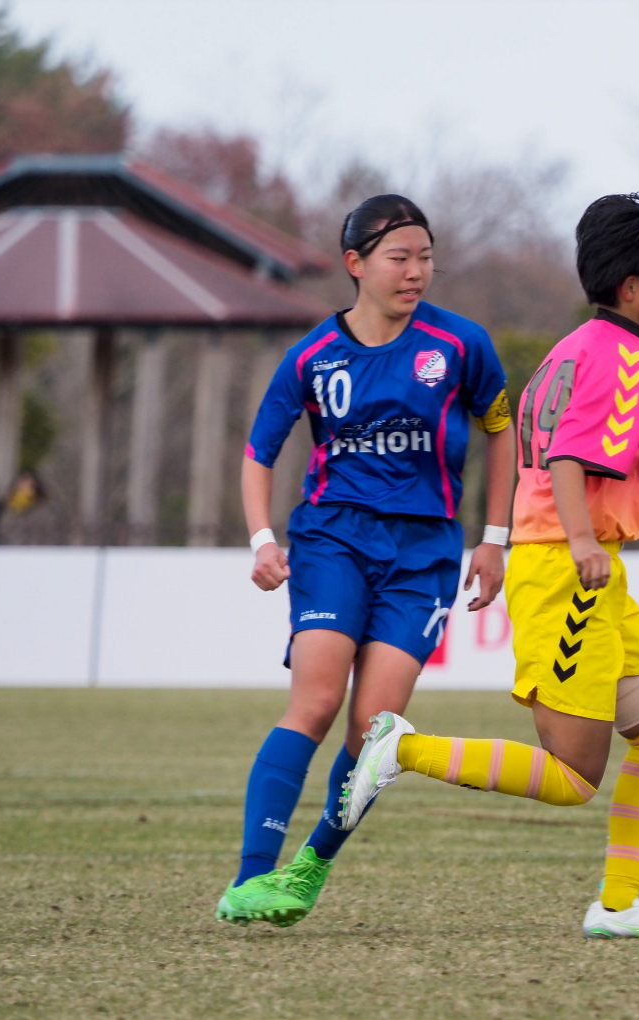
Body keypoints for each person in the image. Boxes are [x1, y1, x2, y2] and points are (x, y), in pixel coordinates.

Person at [340, 194, 639, 938]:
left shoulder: (577, 347)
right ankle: (401, 747)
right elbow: (565, 460)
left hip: (589, 565)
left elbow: (598, 473)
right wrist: (587, 543)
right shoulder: (622, 357)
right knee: (575, 777)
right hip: (568, 573)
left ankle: (618, 906)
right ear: (633, 287)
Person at [215, 195, 514, 927]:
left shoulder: (463, 345)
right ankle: (253, 877)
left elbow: (504, 433)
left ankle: (309, 869)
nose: (418, 271)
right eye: (400, 258)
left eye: (426, 256)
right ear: (356, 265)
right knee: (316, 703)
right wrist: (261, 540)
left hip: (425, 552)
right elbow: (260, 452)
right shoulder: (314, 356)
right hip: (333, 539)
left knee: (375, 730)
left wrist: (495, 538)